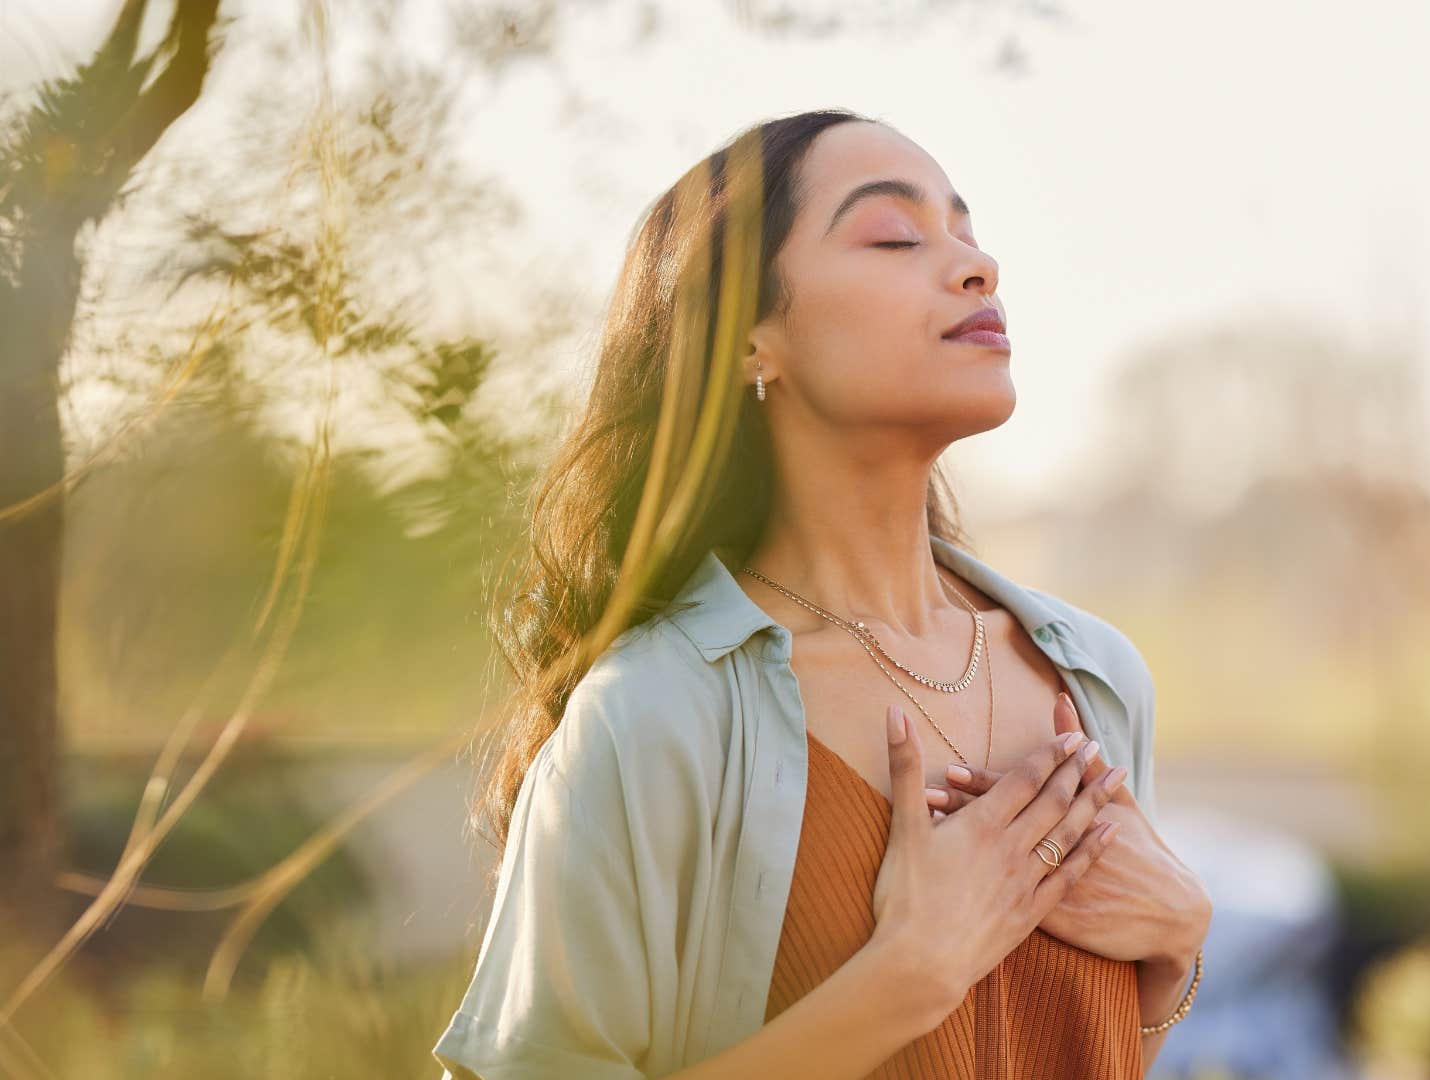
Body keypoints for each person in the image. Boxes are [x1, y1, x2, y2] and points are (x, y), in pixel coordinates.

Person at [431, 107, 1211, 1079]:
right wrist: (906, 980)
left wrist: (1177, 948)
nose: (977, 267)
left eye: (967, 233)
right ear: (752, 341)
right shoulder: (655, 716)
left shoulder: (1096, 678)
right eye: (895, 235)